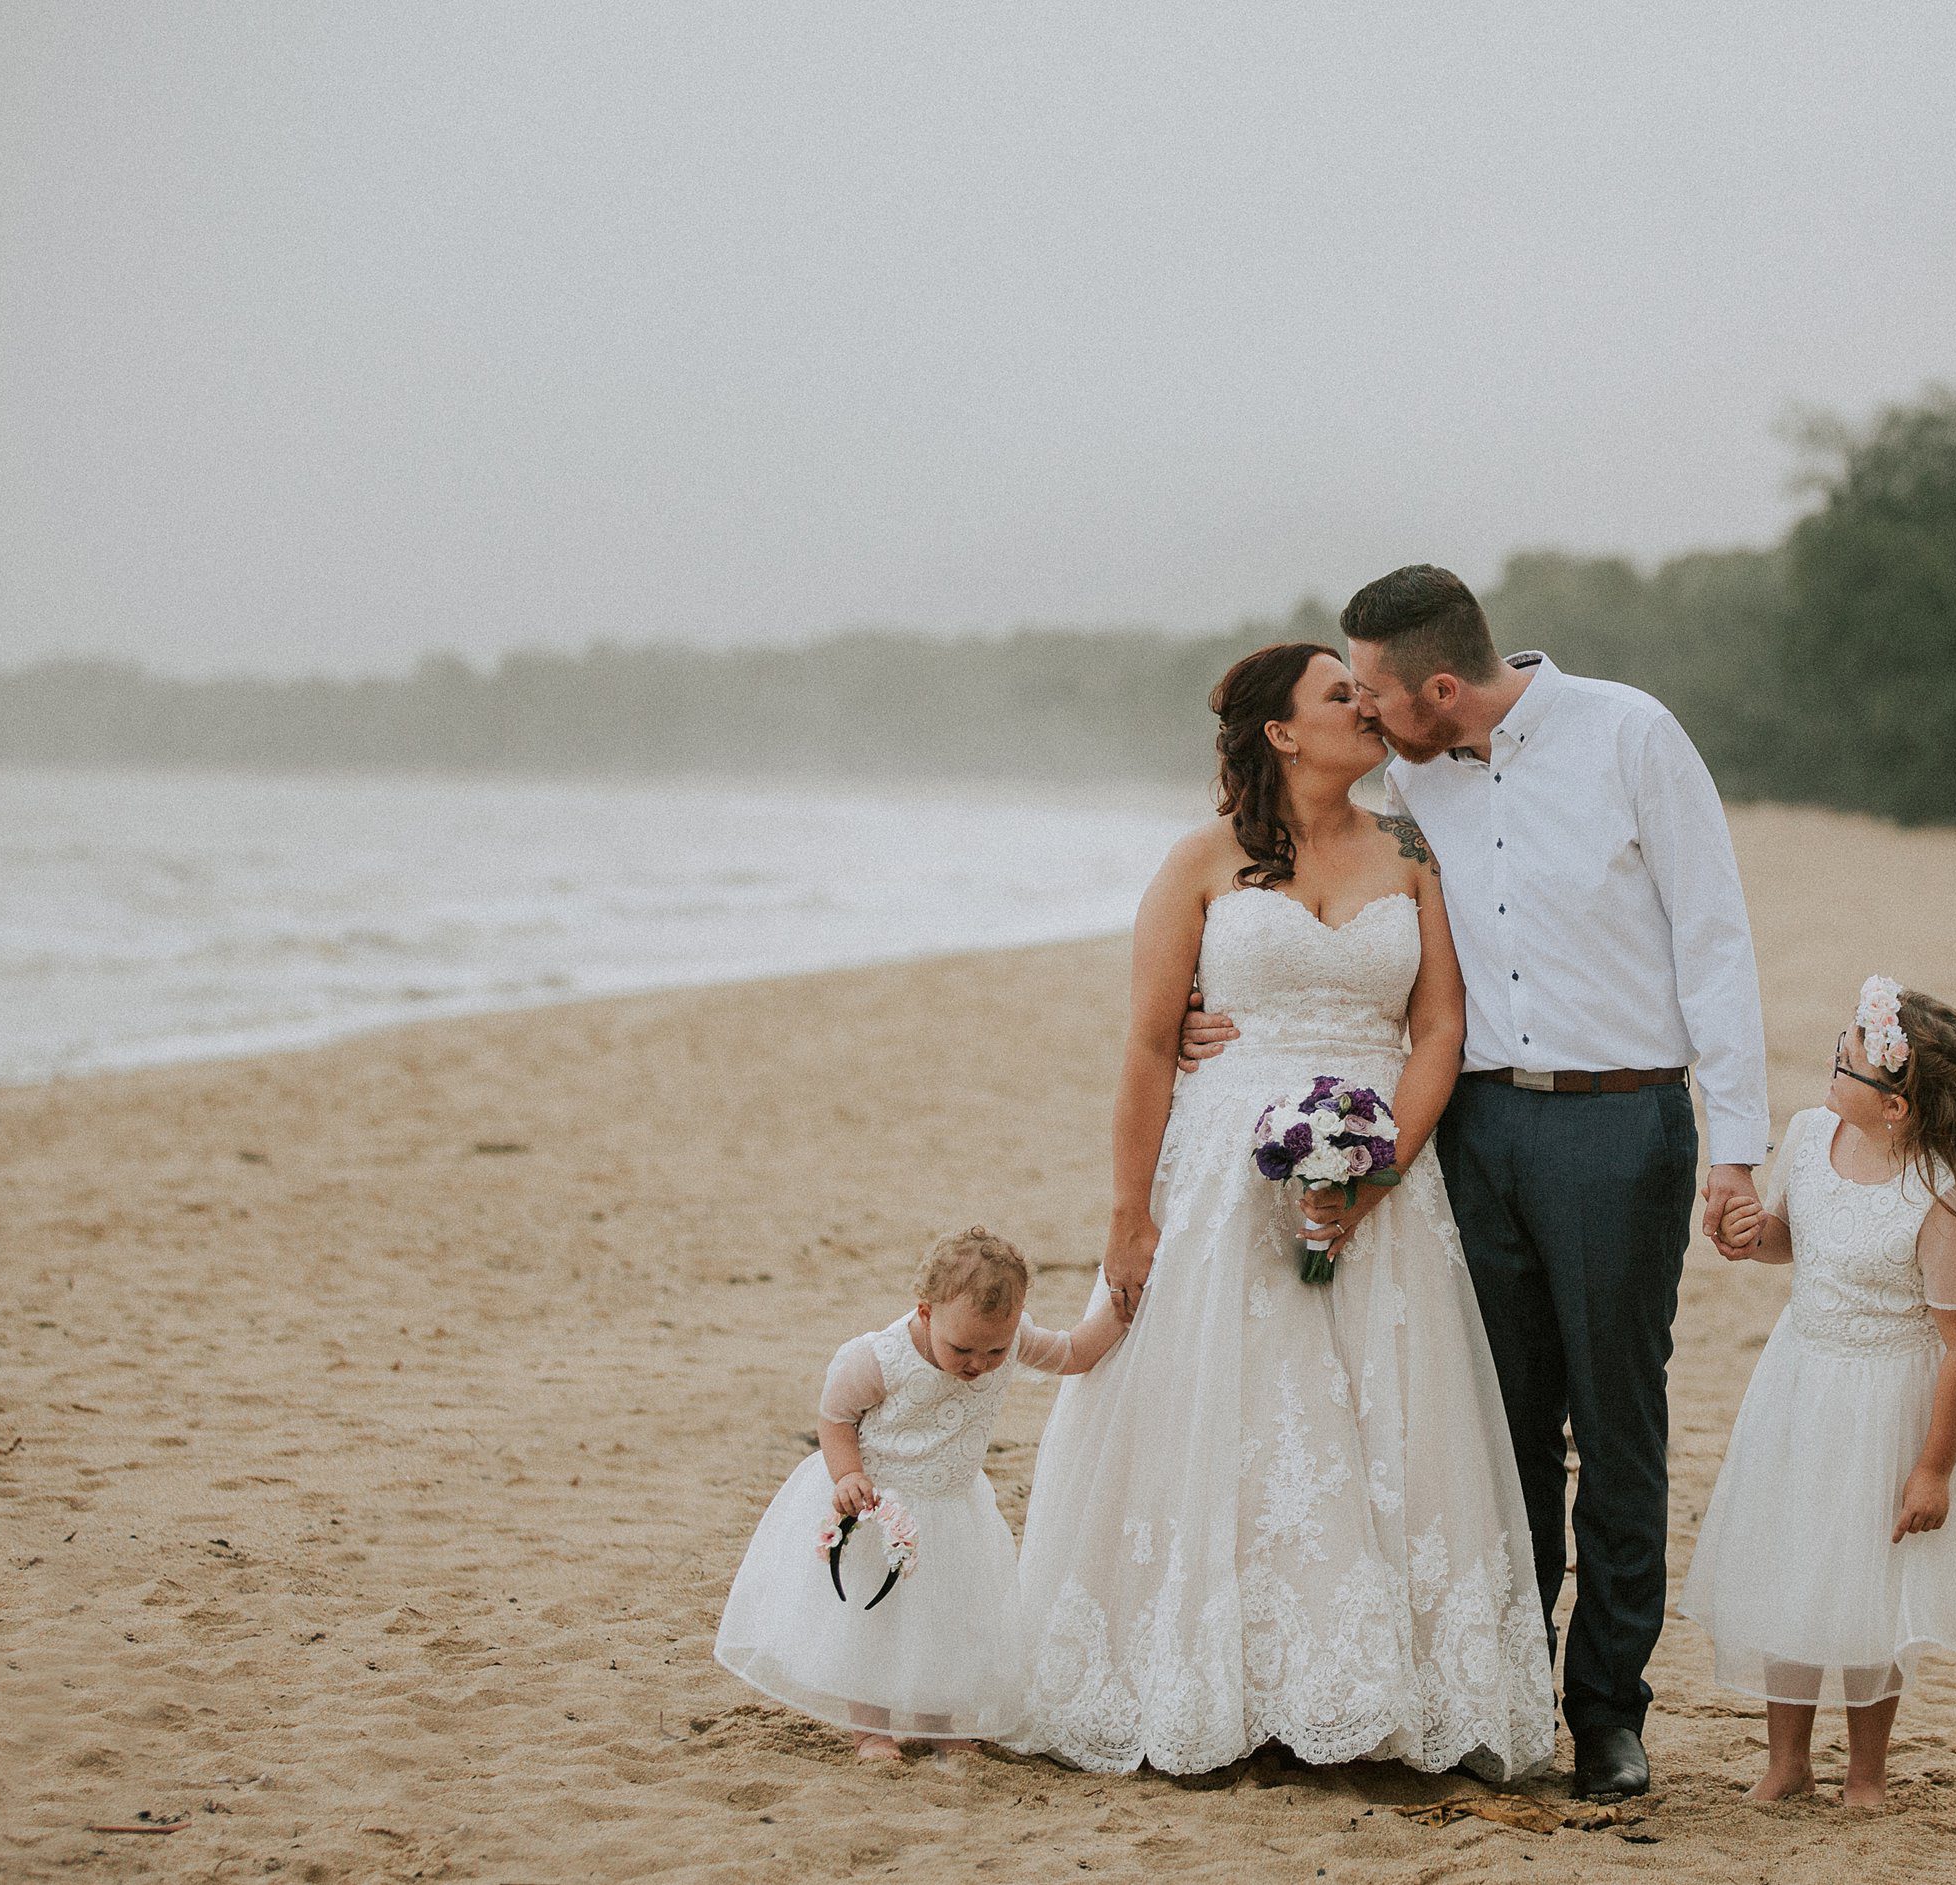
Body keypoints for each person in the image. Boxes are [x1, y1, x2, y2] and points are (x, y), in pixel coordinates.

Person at [1181, 566, 1769, 1799]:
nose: (1365, 711)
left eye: (1375, 692)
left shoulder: (1630, 735)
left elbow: (1714, 934)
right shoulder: (1407, 785)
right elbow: (1300, 885)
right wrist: (1204, 1011)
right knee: (1497, 1426)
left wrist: (1736, 1146)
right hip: (1473, 1130)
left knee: (1616, 1422)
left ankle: (1607, 1712)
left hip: (1620, 1119)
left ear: (1439, 686)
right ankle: (1504, 1692)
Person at [1010, 640, 1557, 1782]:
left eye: (1363, 690)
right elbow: (1148, 1044)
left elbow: (1439, 1028)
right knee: (1234, 1413)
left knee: (1381, 1418)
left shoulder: (1410, 849)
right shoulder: (1200, 859)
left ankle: (1365, 1692)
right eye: (1338, 694)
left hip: (1382, 1172)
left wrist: (1378, 1171)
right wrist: (1127, 1213)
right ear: (1281, 732)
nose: (1364, 706)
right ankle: (1222, 1687)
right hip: (1225, 1172)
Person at [1683, 978, 1956, 1807]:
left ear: (1896, 1106)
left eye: (1848, 1063)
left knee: (1870, 1580)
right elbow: (1791, 1240)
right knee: (1792, 1560)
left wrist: (1932, 1468)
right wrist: (1747, 1234)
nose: (1832, 1063)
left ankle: (1865, 1772)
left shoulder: (1943, 1197)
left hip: (1886, 1402)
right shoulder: (1809, 1134)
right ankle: (1786, 1762)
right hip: (1801, 1380)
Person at [713, 1226, 1127, 1760]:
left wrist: (1119, 1311)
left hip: (953, 1511)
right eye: (962, 1349)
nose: (978, 1363)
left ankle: (939, 1727)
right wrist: (847, 1476)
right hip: (878, 1511)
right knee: (874, 1619)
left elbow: (1072, 1353)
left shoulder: (1011, 1337)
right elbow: (835, 1417)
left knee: (946, 1619)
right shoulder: (879, 1358)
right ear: (927, 1312)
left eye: (995, 1350)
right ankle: (871, 1730)